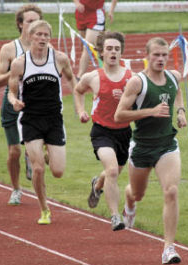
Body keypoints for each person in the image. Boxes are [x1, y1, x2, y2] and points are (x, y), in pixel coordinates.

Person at [114, 37, 187, 264]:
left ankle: (168, 248)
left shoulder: (174, 77)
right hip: (143, 146)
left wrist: (181, 111)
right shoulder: (138, 82)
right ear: (147, 56)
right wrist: (150, 111)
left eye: (164, 55)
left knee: (171, 191)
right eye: (156, 55)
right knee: (137, 194)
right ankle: (129, 203)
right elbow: (120, 115)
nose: (161, 59)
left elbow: (178, 94)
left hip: (167, 145)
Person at [8, 20, 76, 225]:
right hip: (30, 119)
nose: (42, 38)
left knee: (57, 171)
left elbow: (72, 80)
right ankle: (44, 208)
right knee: (38, 169)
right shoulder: (20, 63)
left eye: (46, 35)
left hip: (54, 119)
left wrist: (79, 104)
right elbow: (11, 91)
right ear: (30, 36)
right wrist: (15, 101)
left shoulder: (59, 59)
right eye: (38, 35)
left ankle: (45, 151)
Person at [74, 31, 132, 231]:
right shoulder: (92, 77)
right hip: (102, 132)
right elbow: (78, 90)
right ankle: (115, 216)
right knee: (113, 171)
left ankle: (97, 185)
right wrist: (81, 111)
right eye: (109, 48)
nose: (113, 52)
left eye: (116, 48)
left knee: (113, 171)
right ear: (101, 52)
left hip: (124, 133)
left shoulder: (131, 77)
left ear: (121, 52)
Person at [0, 4, 43, 205]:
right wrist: (17, 69)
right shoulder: (9, 49)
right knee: (14, 151)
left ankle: (32, 156)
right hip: (13, 101)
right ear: (20, 24)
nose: (34, 25)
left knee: (40, 150)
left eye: (37, 21)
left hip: (37, 103)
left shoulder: (45, 48)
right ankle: (16, 189)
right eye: (30, 21)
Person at [73, 0, 118, 79]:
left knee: (87, 47)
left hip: (96, 15)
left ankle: (79, 77)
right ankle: (108, 70)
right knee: (84, 46)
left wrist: (111, 11)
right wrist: (77, 3)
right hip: (81, 14)